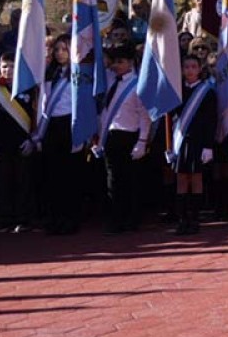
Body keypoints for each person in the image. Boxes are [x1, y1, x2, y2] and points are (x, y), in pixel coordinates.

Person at [94, 45, 149, 234]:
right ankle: (115, 218)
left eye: (121, 62)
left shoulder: (137, 84)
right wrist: (99, 140)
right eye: (115, 62)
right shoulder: (110, 81)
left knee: (131, 180)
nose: (116, 65)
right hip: (111, 136)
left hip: (130, 136)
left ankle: (132, 219)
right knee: (112, 180)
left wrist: (142, 141)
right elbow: (104, 113)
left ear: (130, 63)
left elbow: (144, 116)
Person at [0, 55, 38, 233]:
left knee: (23, 182)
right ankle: (4, 219)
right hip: (0, 145)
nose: (7, 70)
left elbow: (36, 115)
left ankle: (23, 219)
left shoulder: (29, 89)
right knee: (1, 183)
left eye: (12, 66)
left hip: (22, 144)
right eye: (4, 66)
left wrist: (32, 139)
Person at [35, 35, 81, 235]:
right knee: (51, 174)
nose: (60, 53)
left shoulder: (79, 73)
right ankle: (53, 217)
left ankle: (70, 218)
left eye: (64, 48)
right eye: (57, 49)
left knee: (70, 175)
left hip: (70, 124)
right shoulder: (48, 73)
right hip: (51, 125)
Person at [168, 54, 217, 235]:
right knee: (181, 180)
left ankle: (195, 219)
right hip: (180, 141)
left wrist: (208, 146)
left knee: (196, 179)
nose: (189, 70)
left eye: (193, 67)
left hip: (199, 141)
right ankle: (182, 219)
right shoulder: (177, 91)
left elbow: (211, 120)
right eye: (186, 67)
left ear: (200, 69)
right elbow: (171, 116)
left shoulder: (207, 92)